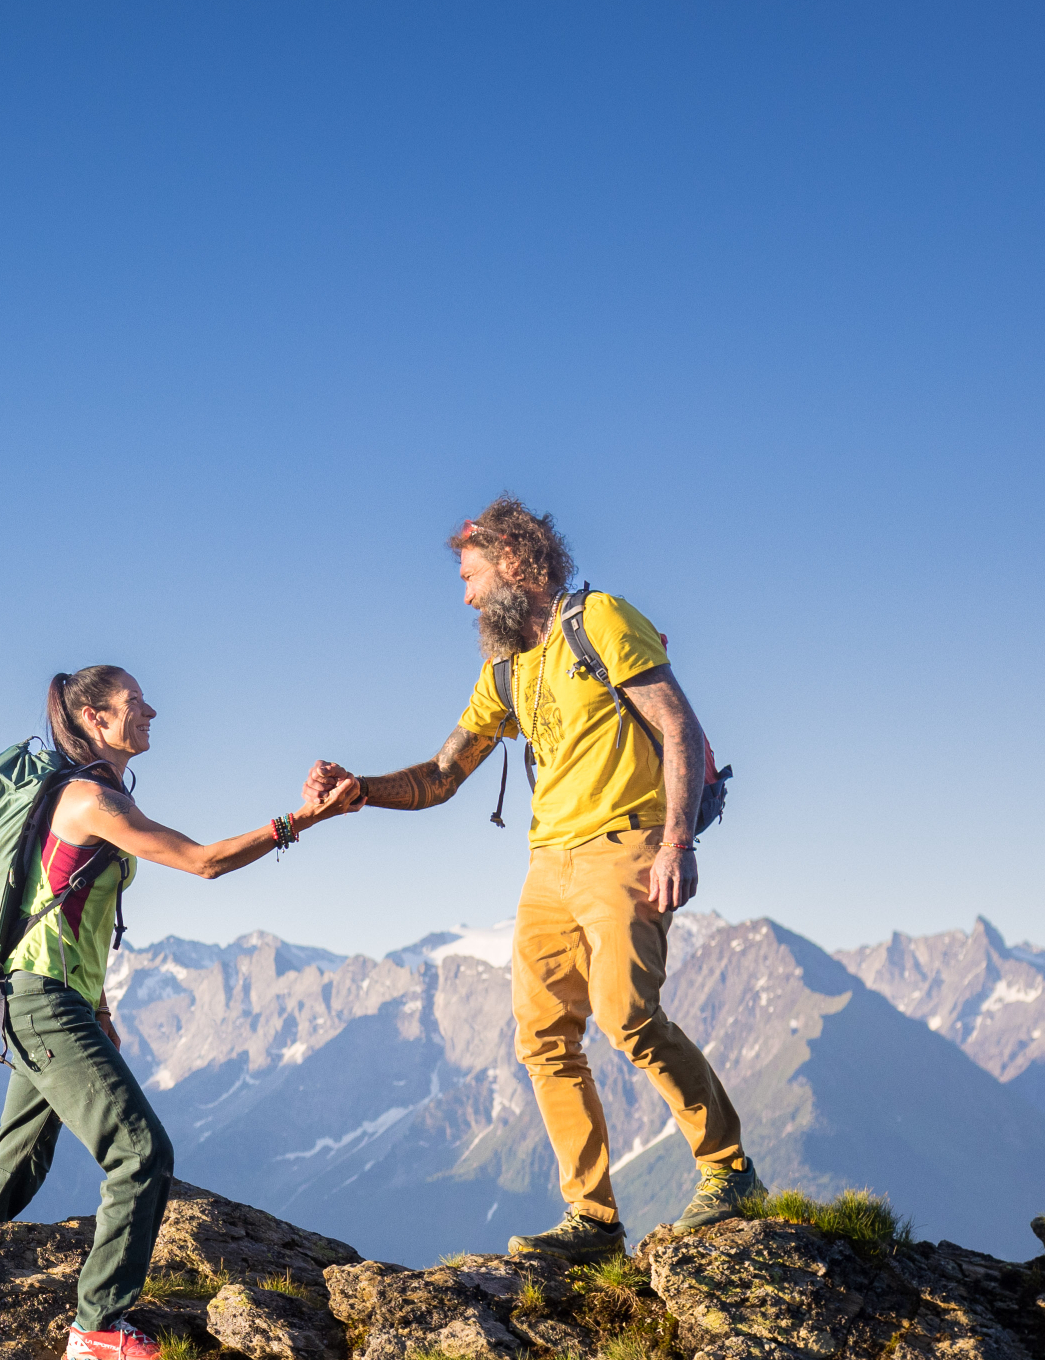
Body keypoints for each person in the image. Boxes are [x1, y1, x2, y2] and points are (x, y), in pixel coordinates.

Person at [309, 497, 764, 1262]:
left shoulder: (603, 620)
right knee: (542, 1040)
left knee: (627, 1017)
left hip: (625, 847)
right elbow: (444, 773)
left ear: (517, 562)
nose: (464, 595)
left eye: (470, 575)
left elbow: (677, 724)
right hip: (546, 864)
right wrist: (361, 788)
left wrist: (676, 842)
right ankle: (591, 1221)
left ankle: (728, 1169)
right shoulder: (504, 669)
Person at [0, 664, 348, 1360]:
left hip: (47, 997)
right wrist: (300, 820)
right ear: (96, 719)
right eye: (136, 704)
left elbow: (67, 907)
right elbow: (202, 862)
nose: (153, 711)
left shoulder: (86, 796)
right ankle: (97, 1325)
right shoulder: (87, 801)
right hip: (44, 1002)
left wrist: (97, 1002)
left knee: (16, 1158)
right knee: (141, 1154)